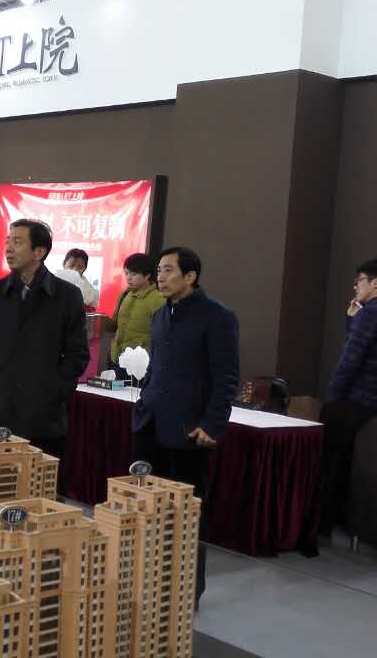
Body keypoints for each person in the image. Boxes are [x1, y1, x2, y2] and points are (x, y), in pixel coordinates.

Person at [133, 246, 239, 606]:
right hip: (152, 424)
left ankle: (185, 593)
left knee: (188, 517)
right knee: (150, 510)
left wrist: (212, 423)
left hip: (189, 431)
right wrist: (144, 400)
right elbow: (156, 367)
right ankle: (152, 583)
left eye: (168, 270)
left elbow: (226, 377)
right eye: (159, 270)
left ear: (190, 276)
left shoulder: (217, 316)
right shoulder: (161, 314)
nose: (160, 277)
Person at [0, 219, 88, 465]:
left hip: (44, 415)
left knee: (40, 485)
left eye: (17, 242)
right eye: (8, 241)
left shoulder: (67, 296)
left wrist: (56, 390)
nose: (8, 248)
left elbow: (77, 354)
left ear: (39, 251)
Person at [319, 259, 377, 533]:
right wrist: (352, 320)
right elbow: (369, 350)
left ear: (375, 283)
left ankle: (321, 523)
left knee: (328, 461)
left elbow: (350, 360)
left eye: (359, 281)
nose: (355, 286)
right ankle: (338, 519)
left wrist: (332, 398)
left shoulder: (370, 315)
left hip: (356, 400)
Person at [106, 253, 166, 374]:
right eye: (127, 273)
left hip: (141, 364)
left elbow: (162, 333)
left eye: (134, 274)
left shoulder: (158, 299)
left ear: (147, 275)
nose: (129, 278)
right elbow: (115, 324)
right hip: (117, 358)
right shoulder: (125, 294)